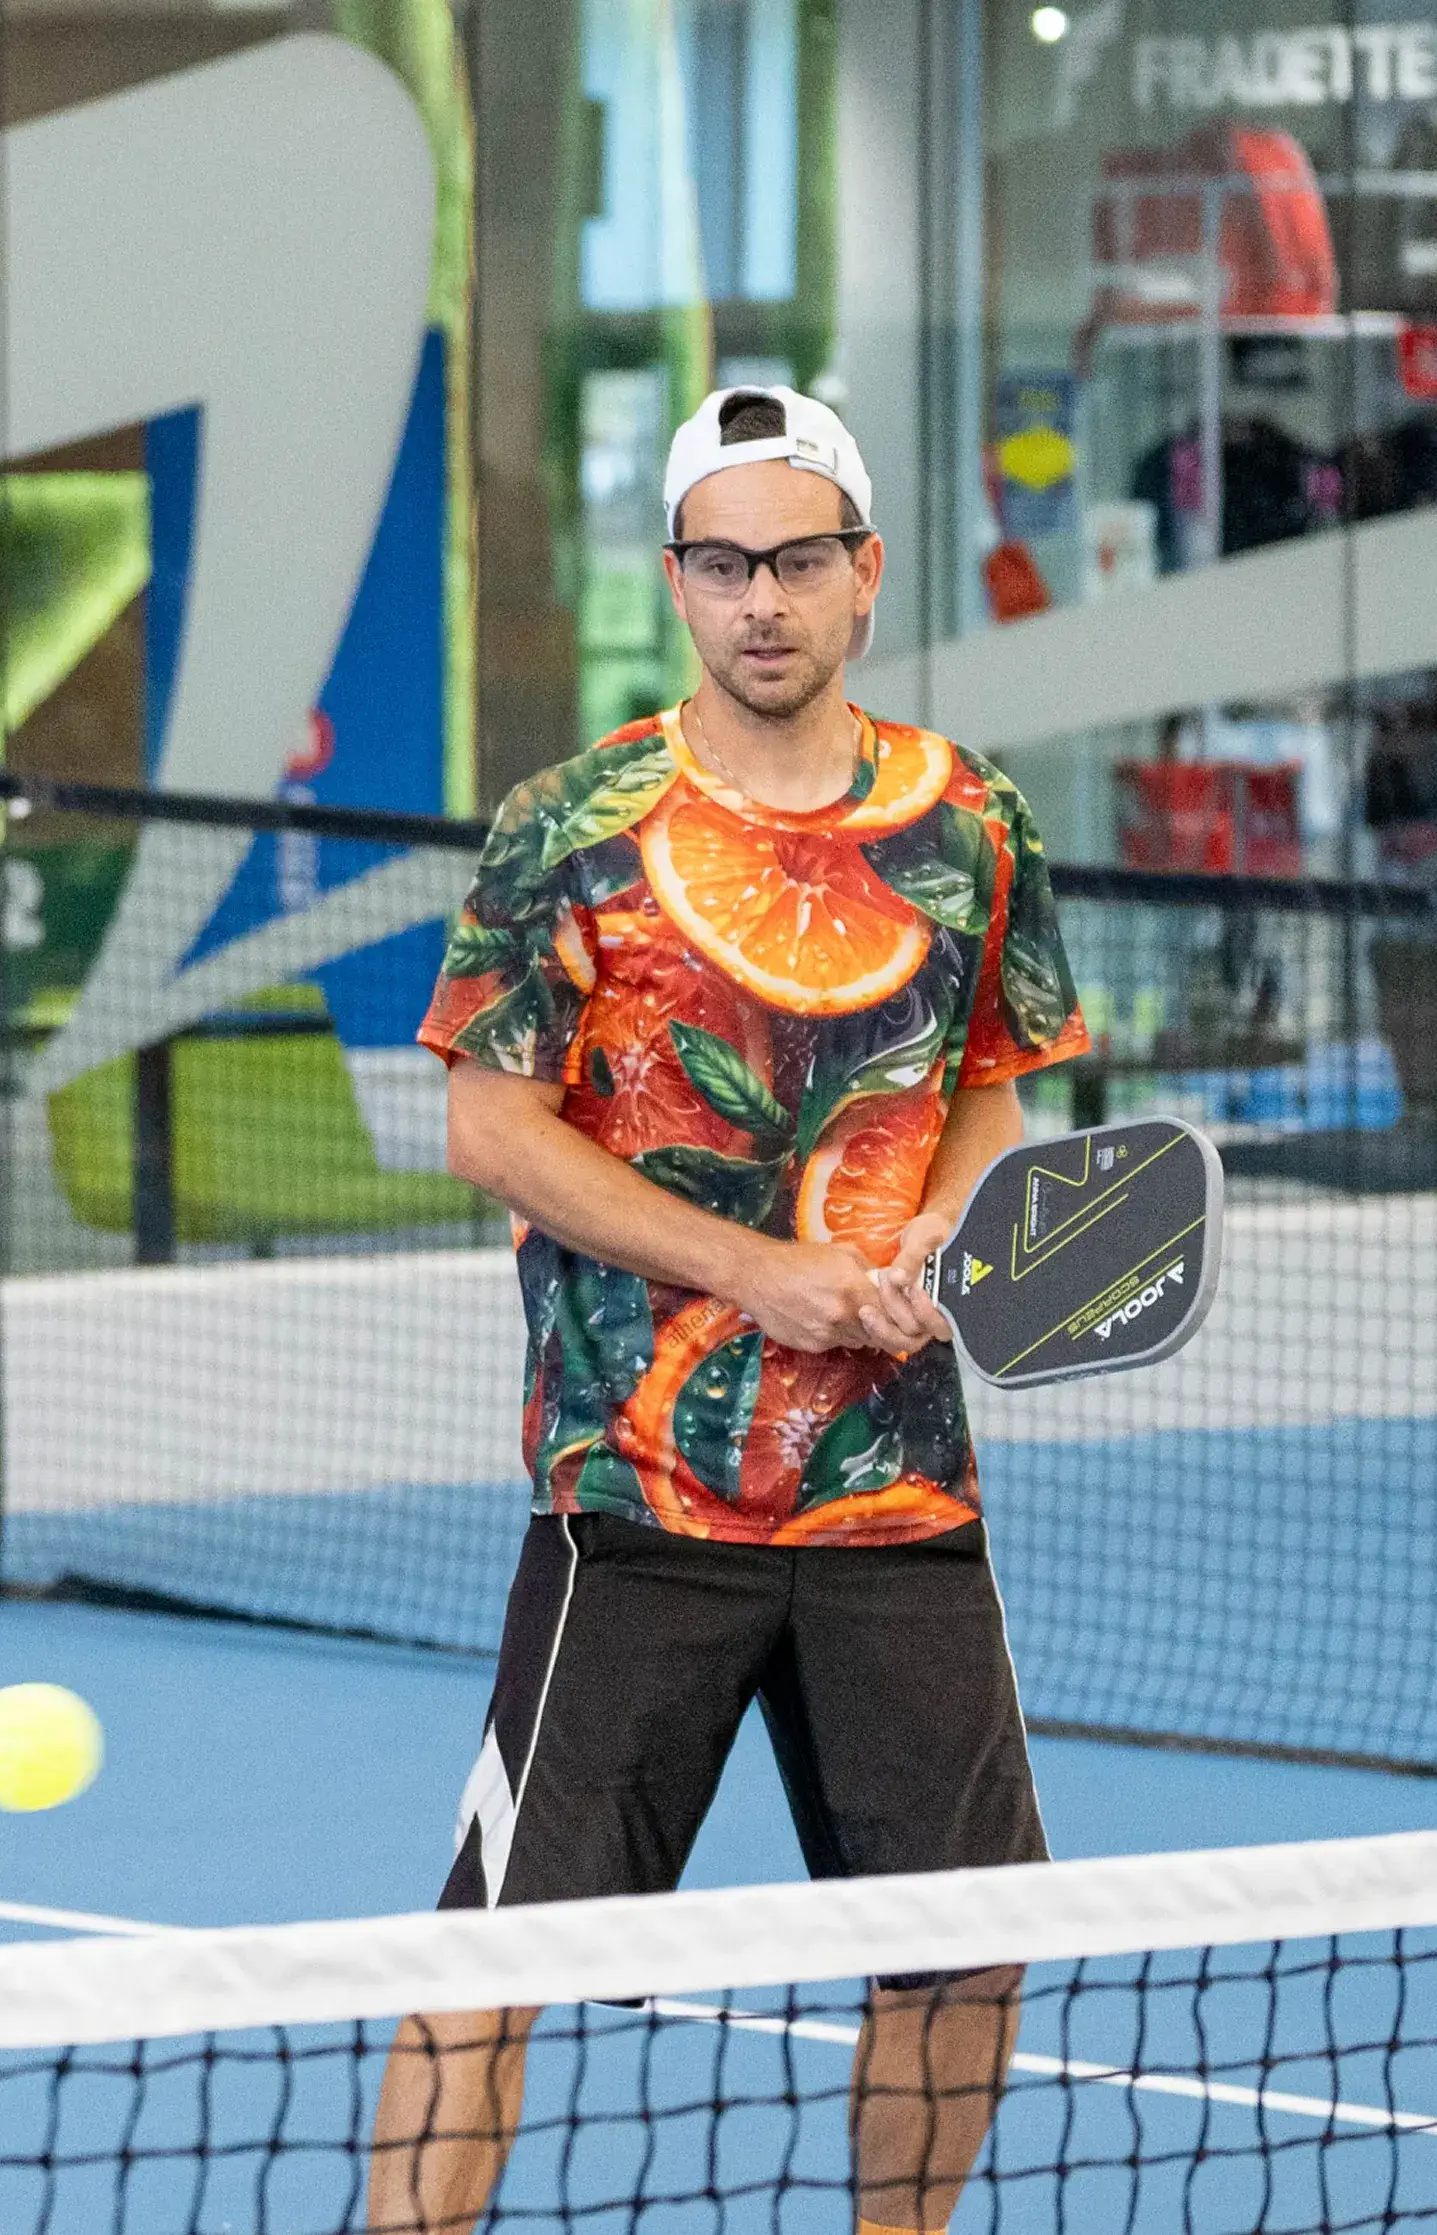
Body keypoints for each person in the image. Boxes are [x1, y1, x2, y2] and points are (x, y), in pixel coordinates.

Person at [368, 386, 1089, 2235]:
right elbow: (484, 1117)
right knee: (492, 1960)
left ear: (862, 578)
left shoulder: (976, 820)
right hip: (640, 1496)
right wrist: (755, 1269)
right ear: (678, 580)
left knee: (968, 1948)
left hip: (899, 1493)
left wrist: (938, 1223)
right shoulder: (574, 826)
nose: (756, 598)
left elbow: (996, 1076)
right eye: (718, 561)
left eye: (793, 559)